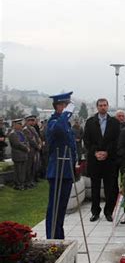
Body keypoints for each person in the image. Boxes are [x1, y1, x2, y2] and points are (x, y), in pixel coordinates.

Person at [45, 92, 76, 239]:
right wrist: (66, 114)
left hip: (67, 171)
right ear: (58, 106)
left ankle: (59, 236)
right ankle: (52, 237)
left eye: (68, 105)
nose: (67, 108)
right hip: (57, 171)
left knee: (61, 208)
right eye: (64, 105)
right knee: (54, 208)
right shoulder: (54, 122)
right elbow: (58, 130)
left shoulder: (65, 123)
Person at [84, 98, 121, 222]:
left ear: (108, 106)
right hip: (95, 160)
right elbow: (87, 141)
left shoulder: (114, 122)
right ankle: (95, 212)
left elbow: (116, 141)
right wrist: (96, 152)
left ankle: (108, 212)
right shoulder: (90, 122)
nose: (103, 107)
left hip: (109, 160)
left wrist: (107, 152)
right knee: (95, 188)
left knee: (109, 188)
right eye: (100, 105)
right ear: (97, 107)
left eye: (105, 105)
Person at [8, 119, 29, 190]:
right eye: (19, 124)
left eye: (21, 124)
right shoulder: (12, 134)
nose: (21, 126)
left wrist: (26, 146)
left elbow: (26, 141)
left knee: (23, 171)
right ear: (15, 125)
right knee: (18, 171)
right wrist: (26, 148)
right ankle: (18, 184)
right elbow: (17, 144)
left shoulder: (21, 133)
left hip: (23, 154)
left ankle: (22, 183)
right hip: (18, 155)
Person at [23, 115, 42, 187]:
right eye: (30, 121)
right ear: (27, 121)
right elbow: (31, 140)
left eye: (32, 120)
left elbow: (37, 137)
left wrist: (39, 144)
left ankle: (32, 180)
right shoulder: (25, 130)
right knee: (29, 166)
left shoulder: (33, 129)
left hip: (35, 150)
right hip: (30, 150)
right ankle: (28, 182)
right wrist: (37, 146)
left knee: (34, 166)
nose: (32, 122)